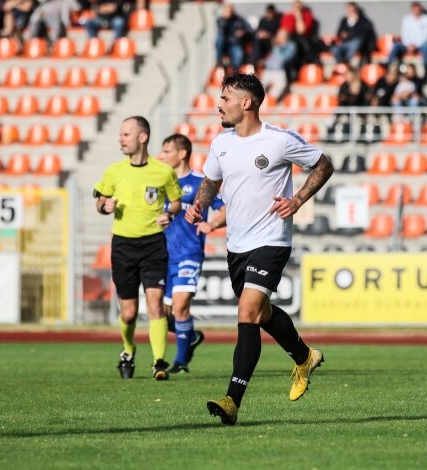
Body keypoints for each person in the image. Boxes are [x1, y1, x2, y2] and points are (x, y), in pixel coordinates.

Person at [186, 73, 334, 425]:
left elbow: (324, 164)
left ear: (246, 103)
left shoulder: (279, 140)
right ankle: (304, 357)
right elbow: (211, 180)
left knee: (247, 312)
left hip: (271, 240)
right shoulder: (221, 143)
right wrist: (200, 203)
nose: (218, 104)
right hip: (236, 245)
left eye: (225, 98)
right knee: (262, 313)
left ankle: (232, 400)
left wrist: (298, 199)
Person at [94, 116, 183, 381]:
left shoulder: (163, 171)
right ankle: (128, 350)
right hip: (123, 245)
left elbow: (176, 202)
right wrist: (105, 206)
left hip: (153, 244)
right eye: (121, 135)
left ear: (142, 137)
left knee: (155, 304)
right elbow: (100, 201)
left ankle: (159, 363)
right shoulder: (114, 171)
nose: (121, 139)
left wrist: (169, 213)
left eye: (126, 134)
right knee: (129, 313)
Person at [157, 134, 225, 374]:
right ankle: (191, 336)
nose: (162, 156)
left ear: (182, 153)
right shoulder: (160, 183)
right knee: (161, 314)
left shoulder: (199, 183)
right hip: (162, 256)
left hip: (189, 253)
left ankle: (180, 362)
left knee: (180, 305)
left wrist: (212, 224)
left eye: (167, 151)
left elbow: (225, 209)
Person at [388, 1, 427, 69]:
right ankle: (388, 67)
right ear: (412, 10)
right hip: (407, 45)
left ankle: (426, 69)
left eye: (418, 10)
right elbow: (404, 34)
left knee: (426, 47)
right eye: (415, 10)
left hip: (420, 45)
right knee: (396, 46)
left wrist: (415, 45)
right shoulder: (406, 19)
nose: (417, 11)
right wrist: (409, 45)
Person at [215, 3, 251, 71]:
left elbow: (249, 30)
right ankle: (219, 62)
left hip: (235, 43)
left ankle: (234, 72)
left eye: (229, 10)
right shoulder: (221, 20)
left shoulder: (239, 19)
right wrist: (225, 19)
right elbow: (220, 27)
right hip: (224, 44)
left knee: (238, 55)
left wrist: (242, 32)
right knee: (219, 38)